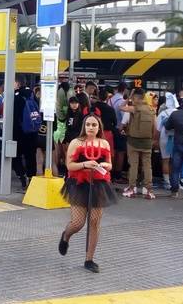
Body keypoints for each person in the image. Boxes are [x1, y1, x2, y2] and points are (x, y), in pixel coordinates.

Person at [58, 114, 117, 273]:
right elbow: (69, 165)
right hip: (79, 184)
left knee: (94, 222)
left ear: (99, 127)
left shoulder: (104, 143)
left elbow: (110, 164)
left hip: (98, 184)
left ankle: (89, 259)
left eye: (94, 125)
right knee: (78, 223)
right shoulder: (75, 142)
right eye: (88, 124)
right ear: (84, 126)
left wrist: (104, 164)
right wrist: (84, 164)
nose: (91, 127)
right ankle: (66, 236)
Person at [121, 88, 156, 199]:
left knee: (134, 165)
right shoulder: (152, 110)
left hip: (133, 142)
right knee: (147, 166)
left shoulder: (134, 108)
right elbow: (154, 127)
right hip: (147, 142)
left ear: (136, 97)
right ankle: (148, 189)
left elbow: (120, 107)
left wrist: (129, 97)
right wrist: (153, 140)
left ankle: (132, 188)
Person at [155, 92, 178, 191]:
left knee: (165, 160)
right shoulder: (178, 112)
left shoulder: (162, 114)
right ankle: (175, 181)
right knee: (175, 161)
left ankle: (167, 181)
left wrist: (155, 140)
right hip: (176, 139)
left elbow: (157, 129)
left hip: (164, 138)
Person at [109, 83, 128, 182]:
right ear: (124, 90)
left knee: (113, 152)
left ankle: (111, 173)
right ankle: (118, 175)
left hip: (112, 129)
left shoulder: (110, 100)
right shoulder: (122, 101)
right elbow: (124, 118)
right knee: (120, 152)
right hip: (120, 129)